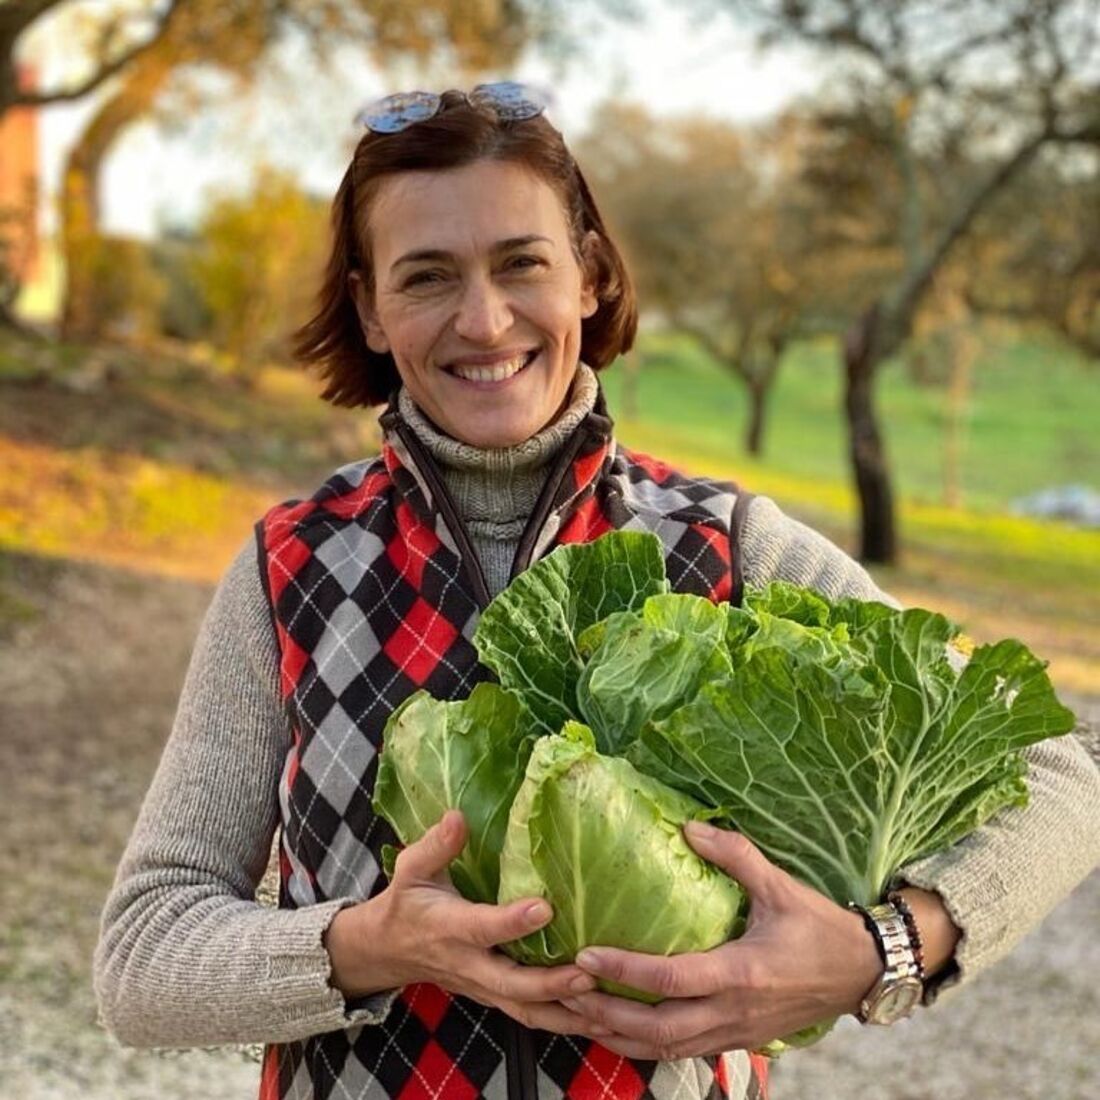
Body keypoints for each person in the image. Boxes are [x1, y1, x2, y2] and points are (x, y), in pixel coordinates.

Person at [94, 84, 1100, 1100]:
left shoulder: (730, 549)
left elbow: (1059, 769)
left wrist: (882, 950)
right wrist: (367, 945)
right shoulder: (293, 570)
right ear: (369, 308)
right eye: (427, 276)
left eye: (521, 263)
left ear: (590, 273)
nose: (484, 319)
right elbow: (141, 958)